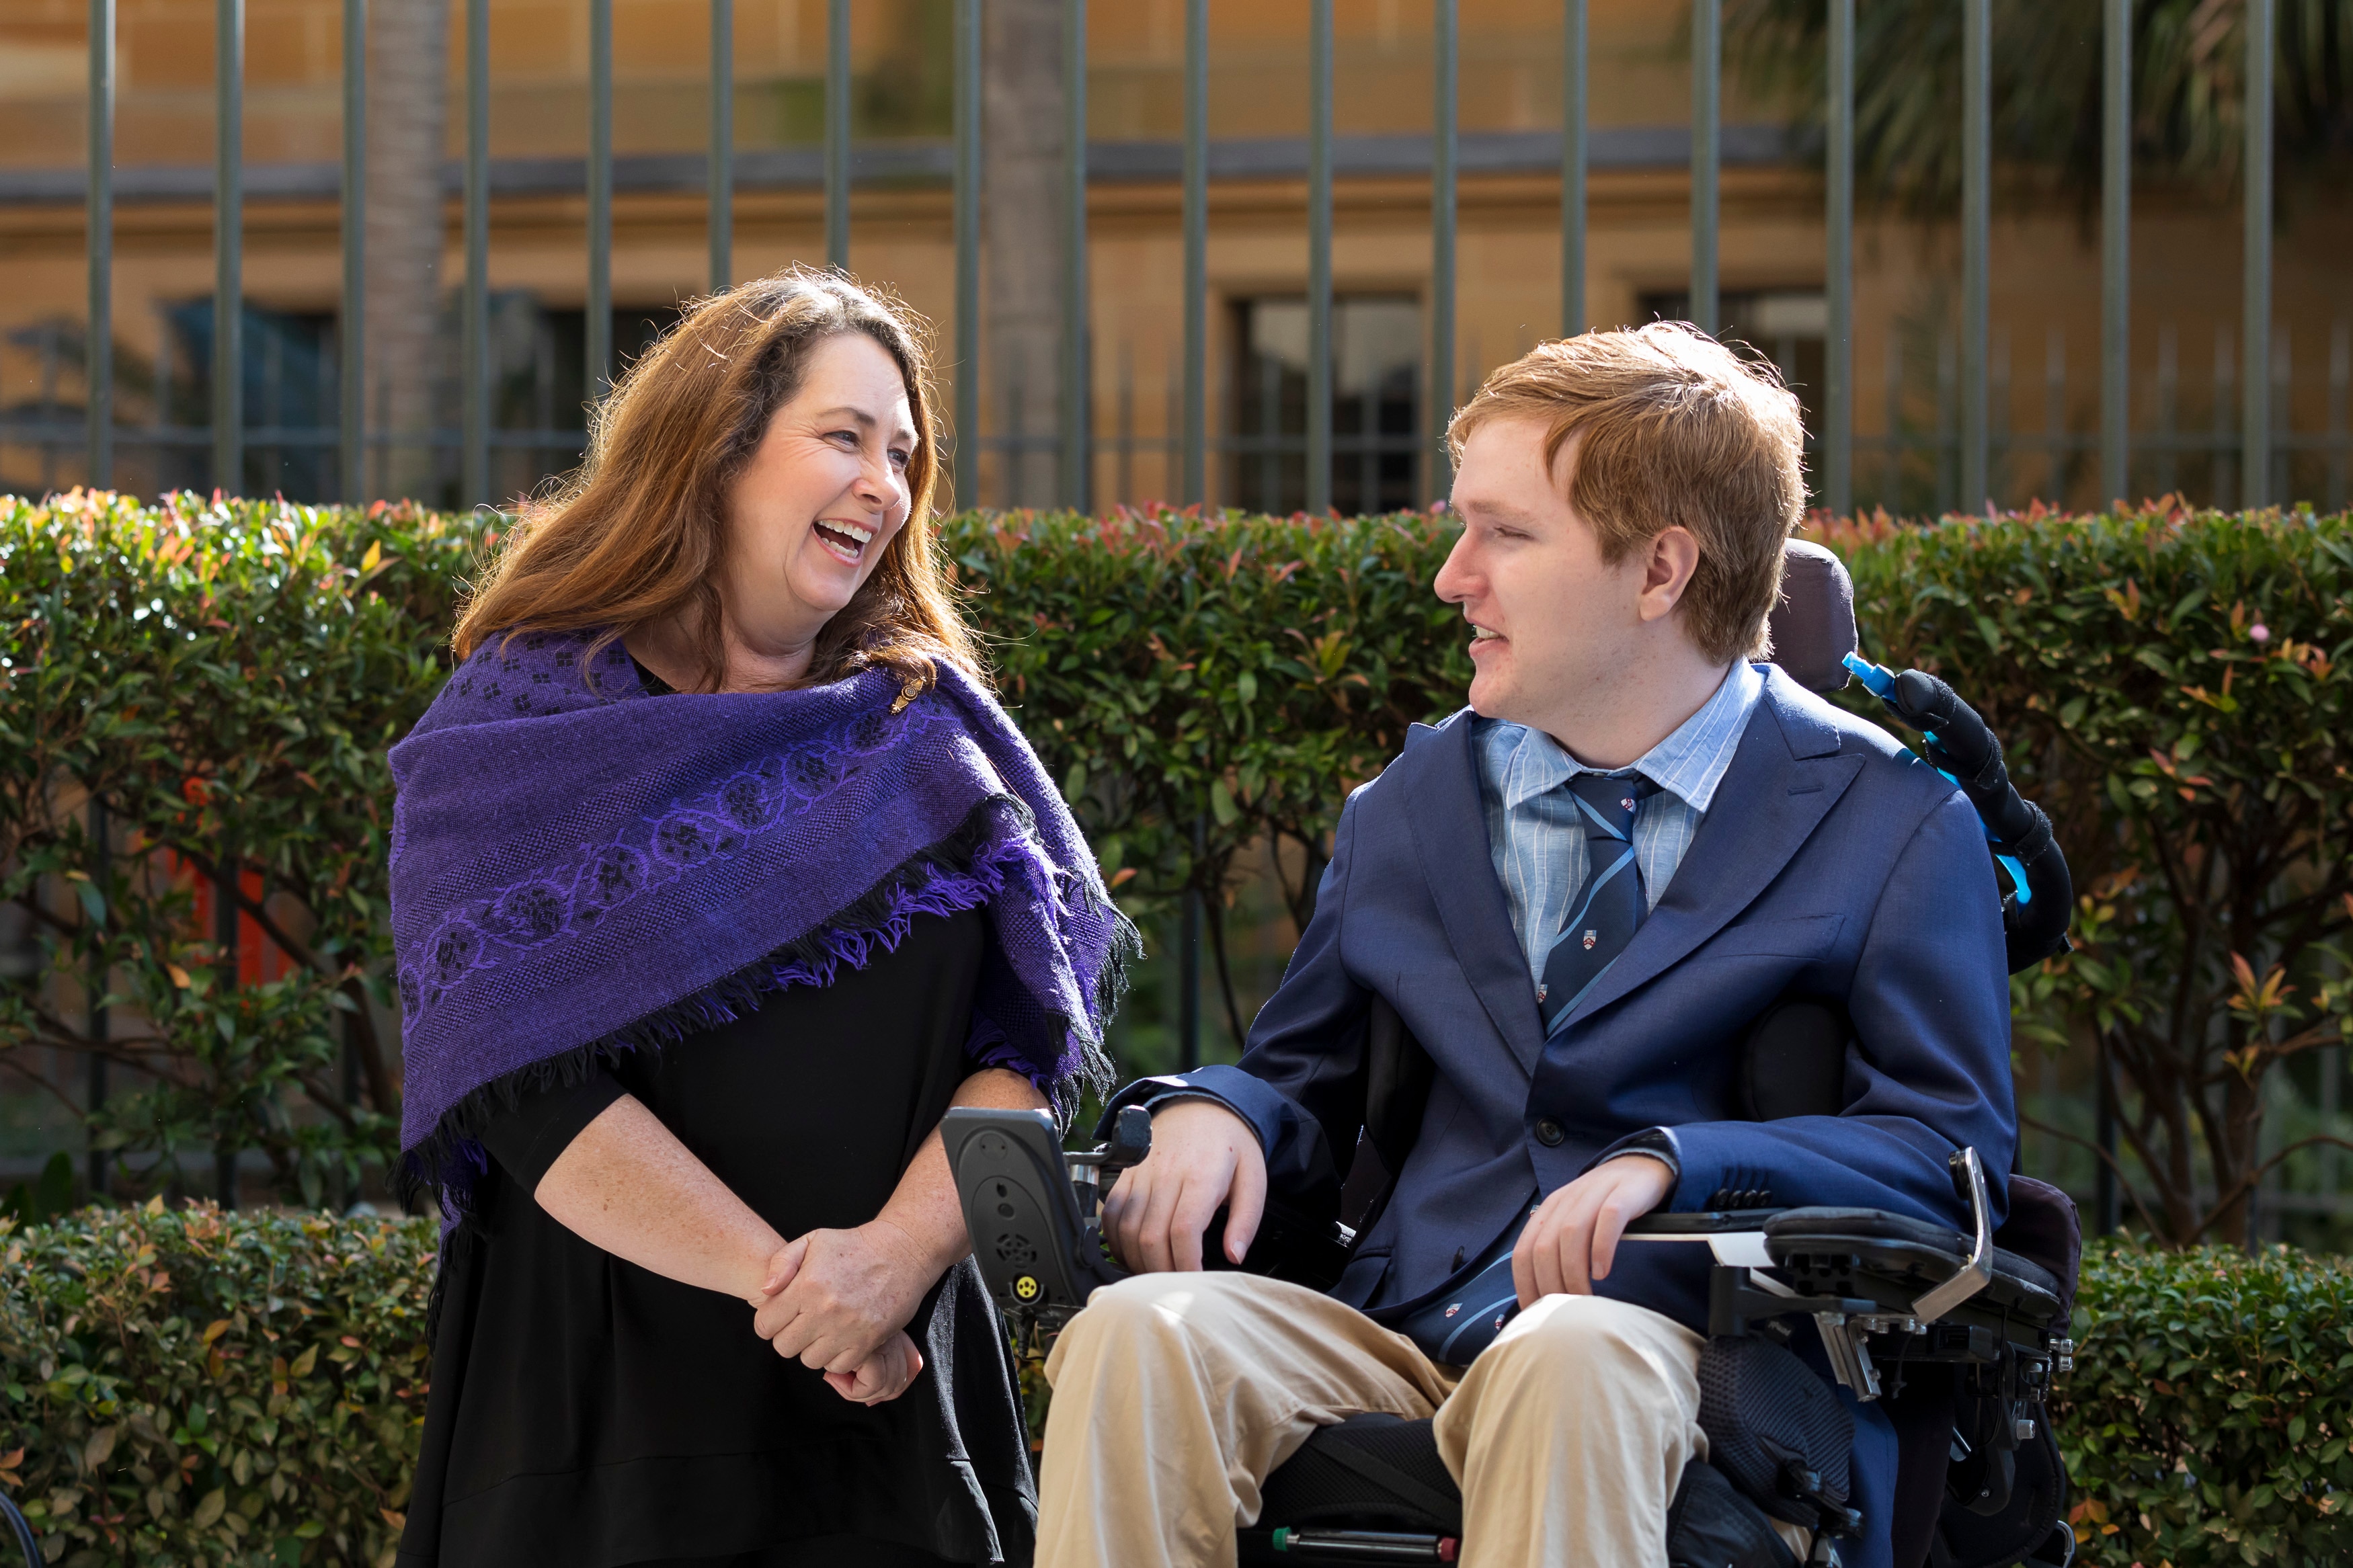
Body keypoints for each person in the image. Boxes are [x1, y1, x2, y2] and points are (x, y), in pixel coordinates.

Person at [1033, 324, 2016, 1568]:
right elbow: (1299, 1081)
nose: (1454, 575)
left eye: (1506, 532)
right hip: (1404, 1323)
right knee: (1142, 1331)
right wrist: (1210, 1114)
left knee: (1571, 1351)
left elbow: (1948, 1155)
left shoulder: (1891, 821)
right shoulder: (1413, 805)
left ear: (1659, 569)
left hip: (1687, 1348)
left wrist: (1679, 1164)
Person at [389, 267, 1133, 1568]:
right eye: (843, 436)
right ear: (715, 450)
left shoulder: (930, 734)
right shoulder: (516, 734)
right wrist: (793, 1293)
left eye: (904, 455)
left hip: (899, 1409)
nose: (884, 484)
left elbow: (1029, 1045)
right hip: (608, 1419)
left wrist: (893, 1265)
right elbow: (513, 1084)